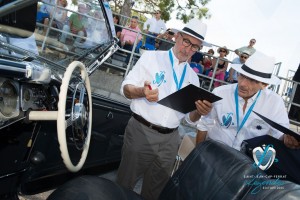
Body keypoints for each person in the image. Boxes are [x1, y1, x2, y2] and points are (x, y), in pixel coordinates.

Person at [117, 19, 212, 200]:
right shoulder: (151, 57)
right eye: (186, 42)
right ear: (176, 36)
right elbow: (125, 89)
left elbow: (189, 119)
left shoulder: (193, 77)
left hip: (171, 140)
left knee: (156, 191)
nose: (188, 49)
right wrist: (142, 92)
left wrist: (200, 111)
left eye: (195, 47)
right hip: (141, 132)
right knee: (124, 185)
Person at [196, 51, 300, 149]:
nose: (242, 84)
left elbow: (280, 134)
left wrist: (287, 139)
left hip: (248, 161)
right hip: (215, 152)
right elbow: (204, 124)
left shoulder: (275, 102)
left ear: (264, 85)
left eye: (252, 80)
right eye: (242, 76)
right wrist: (199, 156)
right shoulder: (220, 93)